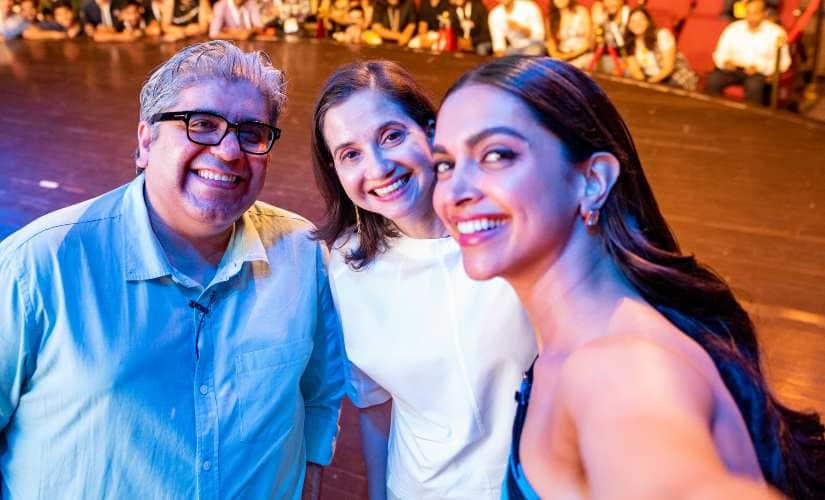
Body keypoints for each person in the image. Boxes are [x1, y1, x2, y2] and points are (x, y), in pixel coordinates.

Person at [432, 56, 825, 499]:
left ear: (593, 180)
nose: (455, 192)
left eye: (496, 155)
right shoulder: (583, 337)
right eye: (445, 164)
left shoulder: (617, 368)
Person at [0, 40, 344, 499]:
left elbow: (317, 394)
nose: (228, 152)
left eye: (251, 133)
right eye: (202, 125)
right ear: (146, 141)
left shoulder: (301, 254)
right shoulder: (38, 264)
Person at [311, 61, 536, 500]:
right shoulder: (344, 269)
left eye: (391, 136)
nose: (377, 168)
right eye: (350, 153)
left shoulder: (511, 229)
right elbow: (375, 407)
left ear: (431, 132)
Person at [707, 0, 790, 106]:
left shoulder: (776, 33)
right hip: (734, 70)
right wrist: (725, 62)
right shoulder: (734, 28)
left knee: (754, 86)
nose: (751, 17)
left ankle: (750, 120)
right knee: (714, 80)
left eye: (755, 13)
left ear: (764, 13)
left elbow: (784, 62)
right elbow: (720, 53)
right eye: (748, 13)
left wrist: (761, 68)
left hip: (757, 74)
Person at [624, 6, 698, 90]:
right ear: (628, 25)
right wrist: (643, 83)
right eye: (633, 21)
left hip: (673, 77)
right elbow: (635, 70)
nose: (637, 24)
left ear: (648, 21)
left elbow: (668, 67)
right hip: (650, 78)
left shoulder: (662, 35)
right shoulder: (630, 41)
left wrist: (650, 84)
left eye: (641, 19)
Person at [545, 0, 591, 69]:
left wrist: (572, 55)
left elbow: (589, 42)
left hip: (583, 54)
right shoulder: (550, 19)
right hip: (563, 56)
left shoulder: (581, 11)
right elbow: (551, 46)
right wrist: (562, 57)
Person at [590, 0, 629, 74]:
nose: (609, 3)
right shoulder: (604, 17)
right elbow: (591, 47)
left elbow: (631, 53)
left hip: (626, 60)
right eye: (606, 0)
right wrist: (596, 23)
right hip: (607, 58)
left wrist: (622, 66)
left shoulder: (629, 16)